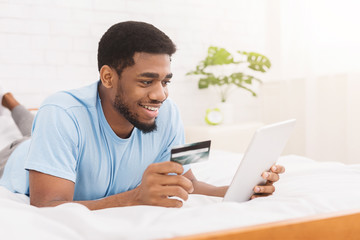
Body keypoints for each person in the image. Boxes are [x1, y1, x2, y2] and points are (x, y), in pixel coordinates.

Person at [0, 21, 285, 210]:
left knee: (31, 122)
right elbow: (48, 205)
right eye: (146, 81)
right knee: (28, 131)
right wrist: (135, 198)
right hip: (15, 157)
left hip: (51, 130)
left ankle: (12, 102)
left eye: (165, 81)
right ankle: (11, 102)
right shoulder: (61, 113)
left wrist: (238, 191)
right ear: (108, 77)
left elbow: (189, 182)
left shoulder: (169, 113)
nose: (160, 94)